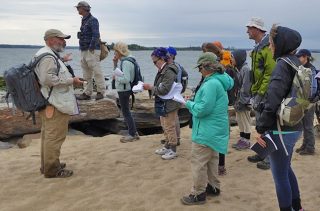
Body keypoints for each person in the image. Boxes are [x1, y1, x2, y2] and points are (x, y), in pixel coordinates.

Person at [255, 25, 304, 211]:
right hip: (295, 125)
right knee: (286, 169)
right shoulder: (297, 63)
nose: (270, 46)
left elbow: (272, 99)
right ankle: (297, 206)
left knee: (279, 176)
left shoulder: (282, 65)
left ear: (281, 43)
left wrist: (261, 127)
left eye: (271, 42)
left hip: (280, 128)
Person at [181, 52, 233, 205]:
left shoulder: (211, 83)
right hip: (216, 129)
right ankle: (214, 187)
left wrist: (188, 104)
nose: (199, 71)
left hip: (206, 130)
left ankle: (198, 194)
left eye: (200, 68)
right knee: (212, 160)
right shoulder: (219, 81)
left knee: (199, 163)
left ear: (207, 67)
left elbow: (203, 110)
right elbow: (209, 104)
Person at [34, 29, 83, 178]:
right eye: (60, 39)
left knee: (48, 136)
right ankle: (52, 169)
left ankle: (47, 165)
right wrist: (72, 81)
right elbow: (47, 80)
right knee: (54, 137)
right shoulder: (48, 57)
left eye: (64, 39)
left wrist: (63, 62)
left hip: (48, 102)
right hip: (54, 103)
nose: (64, 41)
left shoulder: (45, 54)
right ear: (50, 40)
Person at [246, 17, 276, 170]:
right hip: (258, 91)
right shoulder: (259, 46)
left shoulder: (266, 48)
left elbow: (269, 73)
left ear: (257, 30)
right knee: (260, 124)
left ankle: (269, 159)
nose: (247, 31)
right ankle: (262, 152)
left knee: (266, 124)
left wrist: (259, 93)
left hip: (263, 93)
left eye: (249, 28)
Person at [143, 47, 180, 160]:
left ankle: (173, 150)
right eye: (153, 62)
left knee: (169, 126)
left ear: (162, 59)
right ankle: (168, 146)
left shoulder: (169, 71)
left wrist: (150, 87)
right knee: (164, 125)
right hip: (163, 102)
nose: (154, 64)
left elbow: (164, 89)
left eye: (155, 61)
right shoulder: (163, 69)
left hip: (169, 103)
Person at [75, 1, 106, 101]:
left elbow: (96, 35)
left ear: (84, 8)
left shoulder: (93, 20)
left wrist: (91, 48)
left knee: (96, 71)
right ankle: (87, 92)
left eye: (78, 8)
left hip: (90, 50)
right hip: (84, 49)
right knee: (86, 73)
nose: (77, 10)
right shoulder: (84, 20)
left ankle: (100, 91)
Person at [112, 42, 139, 143]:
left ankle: (132, 134)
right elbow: (119, 72)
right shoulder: (126, 60)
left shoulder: (126, 62)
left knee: (126, 112)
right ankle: (133, 133)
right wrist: (115, 64)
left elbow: (126, 79)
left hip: (124, 90)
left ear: (119, 51)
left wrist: (116, 78)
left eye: (115, 51)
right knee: (126, 112)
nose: (114, 53)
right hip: (124, 89)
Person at [295, 49, 318, 155]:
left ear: (305, 57)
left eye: (299, 56)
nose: (298, 58)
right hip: (302, 100)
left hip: (308, 101)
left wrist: (307, 99)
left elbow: (313, 87)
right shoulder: (302, 68)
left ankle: (310, 148)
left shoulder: (311, 69)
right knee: (304, 125)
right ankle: (305, 145)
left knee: (308, 125)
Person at [231, 50, 252, 150]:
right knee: (239, 120)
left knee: (245, 120)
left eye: (233, 57)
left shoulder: (245, 69)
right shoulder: (239, 68)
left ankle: (247, 141)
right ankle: (242, 138)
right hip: (239, 99)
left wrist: (242, 101)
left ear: (238, 58)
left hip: (244, 100)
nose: (231, 59)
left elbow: (246, 86)